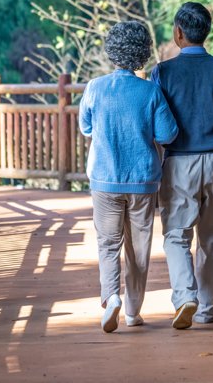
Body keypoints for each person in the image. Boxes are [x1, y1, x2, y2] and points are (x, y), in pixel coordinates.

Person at [151, 2, 213, 329]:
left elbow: (157, 125)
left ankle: (185, 296)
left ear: (179, 33)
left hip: (179, 162)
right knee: (212, 239)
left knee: (177, 234)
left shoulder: (162, 73)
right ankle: (206, 308)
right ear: (206, 32)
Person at [79, 21, 178, 333]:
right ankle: (133, 311)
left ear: (112, 53)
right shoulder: (151, 91)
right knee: (138, 248)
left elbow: (86, 127)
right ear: (143, 54)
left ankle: (111, 299)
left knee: (108, 244)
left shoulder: (95, 88)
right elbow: (167, 133)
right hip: (142, 181)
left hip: (104, 180)